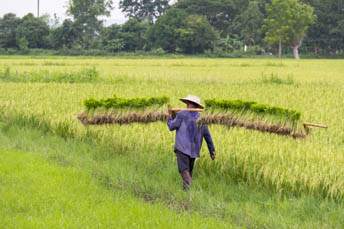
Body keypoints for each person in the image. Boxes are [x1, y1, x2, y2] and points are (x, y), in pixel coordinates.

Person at [167, 95, 216, 190]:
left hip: (182, 148)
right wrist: (212, 151)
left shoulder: (181, 114)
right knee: (188, 172)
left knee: (184, 171)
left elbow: (171, 126)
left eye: (188, 104)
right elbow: (208, 137)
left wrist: (169, 117)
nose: (187, 105)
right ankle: (186, 194)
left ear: (190, 104)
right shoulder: (202, 119)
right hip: (194, 151)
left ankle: (190, 188)